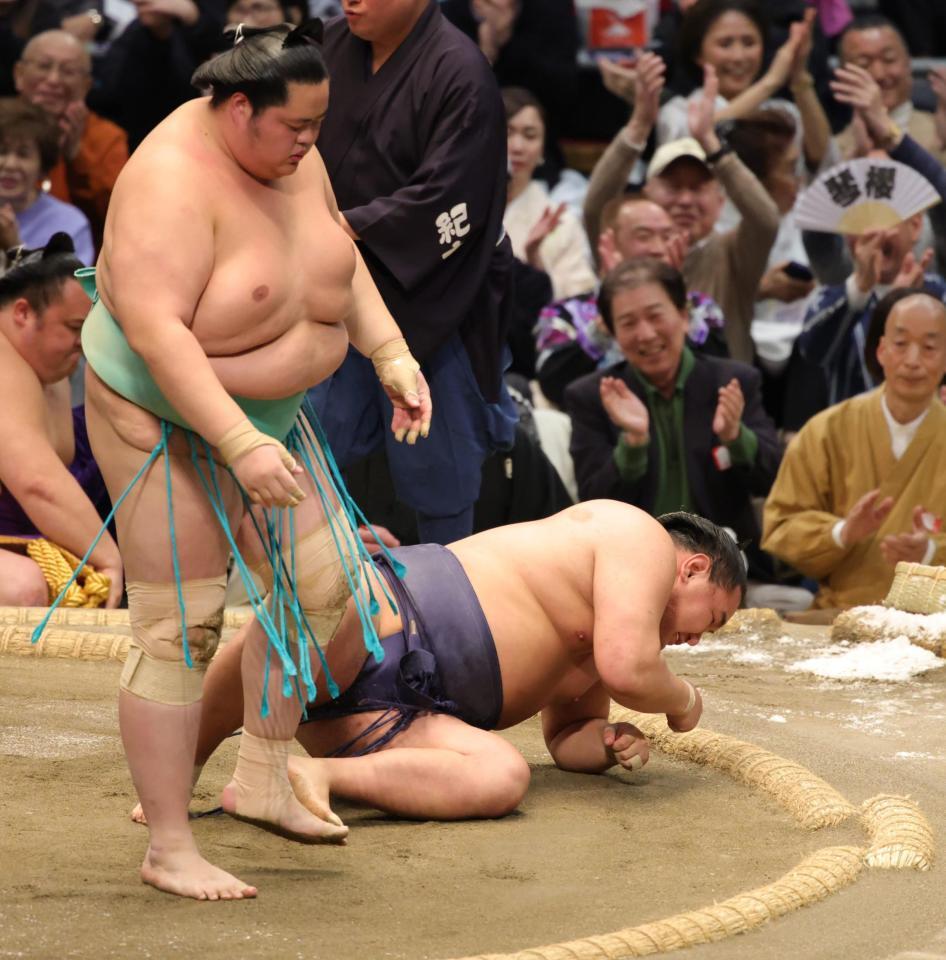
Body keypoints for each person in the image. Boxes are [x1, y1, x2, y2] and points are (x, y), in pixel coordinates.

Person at [52, 21, 431, 902]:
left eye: (317, 125)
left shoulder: (293, 153)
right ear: (235, 110)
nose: (311, 143)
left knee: (325, 582)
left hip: (272, 418)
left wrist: (390, 353)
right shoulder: (166, 182)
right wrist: (237, 441)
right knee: (178, 626)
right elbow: (157, 333)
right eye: (296, 127)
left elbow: (337, 252)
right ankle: (170, 843)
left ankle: (262, 773)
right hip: (160, 419)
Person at [166, 504, 745, 823]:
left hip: (391, 723)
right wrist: (685, 702)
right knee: (319, 608)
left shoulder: (600, 644)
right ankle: (182, 766)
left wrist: (608, 741)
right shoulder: (634, 534)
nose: (695, 641)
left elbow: (566, 738)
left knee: (504, 777)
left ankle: (315, 776)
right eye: (711, 620)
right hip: (383, 623)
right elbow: (630, 668)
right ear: (692, 569)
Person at [310, 0, 518, 546]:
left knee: (440, 474)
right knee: (308, 447)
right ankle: (312, 593)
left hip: (439, 295)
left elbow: (452, 196)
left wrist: (337, 225)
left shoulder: (460, 72)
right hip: (336, 285)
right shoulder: (324, 46)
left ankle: (448, 609)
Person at [563, 259, 782, 558]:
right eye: (628, 323)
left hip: (727, 563)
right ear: (614, 334)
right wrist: (633, 443)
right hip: (631, 566)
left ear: (683, 316)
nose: (646, 334)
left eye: (655, 315)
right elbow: (593, 506)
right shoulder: (592, 396)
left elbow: (773, 480)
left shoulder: (732, 382)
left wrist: (735, 436)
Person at [584, 60, 780, 363]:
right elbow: (597, 207)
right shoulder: (623, 251)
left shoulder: (732, 253)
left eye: (699, 187)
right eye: (673, 186)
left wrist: (713, 146)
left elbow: (765, 220)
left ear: (720, 201)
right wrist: (638, 126)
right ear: (646, 193)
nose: (686, 200)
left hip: (722, 399)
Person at [763, 292, 946, 611]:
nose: (913, 360)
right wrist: (841, 532)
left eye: (929, 347)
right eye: (900, 344)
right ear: (881, 351)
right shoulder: (826, 430)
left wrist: (929, 555)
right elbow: (781, 525)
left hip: (936, 623)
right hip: (841, 617)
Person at [0, 235, 117, 606]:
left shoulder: (49, 374)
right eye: (72, 327)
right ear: (23, 313)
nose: (83, 343)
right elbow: (37, 483)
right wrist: (108, 558)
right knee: (22, 587)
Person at [657, 0, 830, 178]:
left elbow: (823, 160)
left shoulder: (783, 113)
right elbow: (695, 142)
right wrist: (771, 81)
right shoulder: (677, 113)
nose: (739, 56)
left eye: (749, 43)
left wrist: (799, 76)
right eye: (725, 44)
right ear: (698, 54)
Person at [13, 30, 127, 248]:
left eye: (68, 71)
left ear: (85, 85)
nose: (53, 80)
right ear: (19, 74)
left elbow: (119, 217)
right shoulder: (4, 122)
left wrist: (77, 156)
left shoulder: (107, 137)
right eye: (44, 66)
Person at [502, 86, 595, 302]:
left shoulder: (562, 221)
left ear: (542, 149)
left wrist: (535, 263)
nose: (517, 147)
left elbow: (578, 301)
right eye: (507, 133)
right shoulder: (457, 206)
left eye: (530, 135)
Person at [833, 15, 946, 163]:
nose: (879, 74)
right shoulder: (835, 150)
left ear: (908, 63)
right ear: (843, 75)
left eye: (889, 59)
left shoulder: (939, 133)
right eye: (864, 64)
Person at [0, 98, 94, 264]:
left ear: (42, 168)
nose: (10, 164)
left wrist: (15, 249)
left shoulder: (69, 224)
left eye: (23, 154)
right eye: (3, 151)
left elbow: (71, 289)